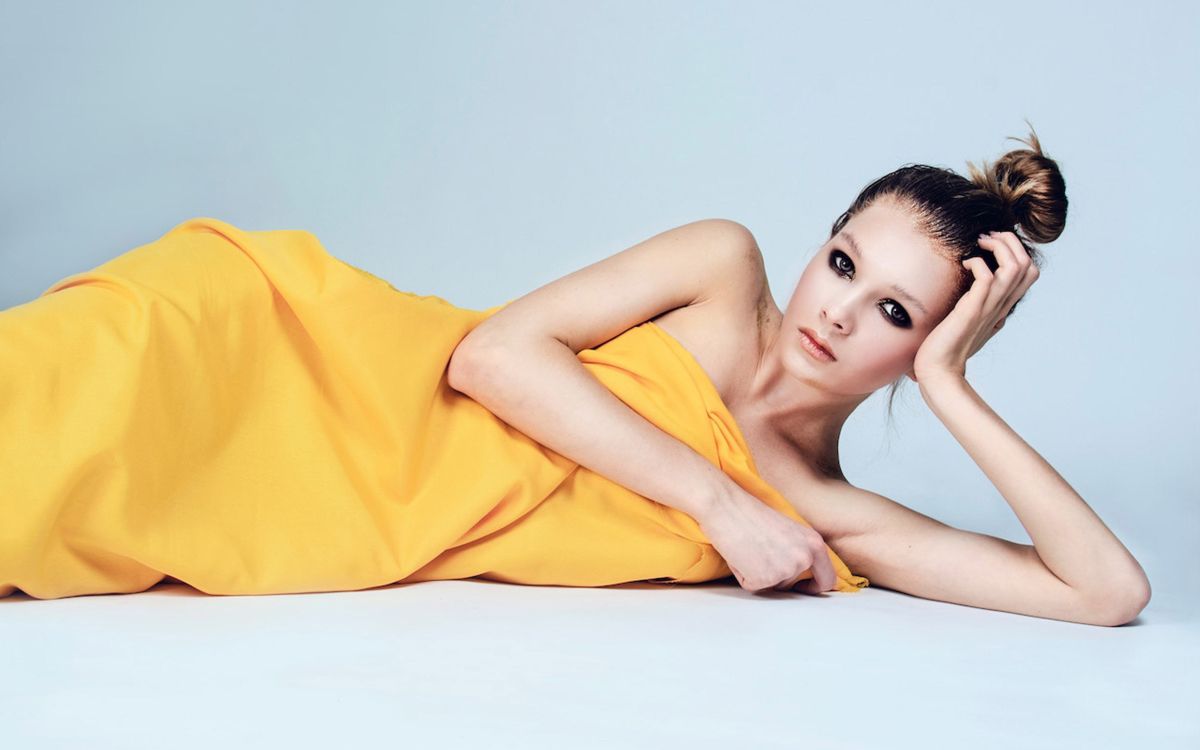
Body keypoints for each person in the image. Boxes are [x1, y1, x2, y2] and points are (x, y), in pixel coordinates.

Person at [448, 124, 1151, 626]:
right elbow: (490, 357)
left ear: (936, 340)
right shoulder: (719, 272)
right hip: (397, 392)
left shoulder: (820, 513)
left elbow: (1105, 593)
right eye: (843, 264)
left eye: (895, 312)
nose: (838, 314)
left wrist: (948, 381)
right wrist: (719, 504)